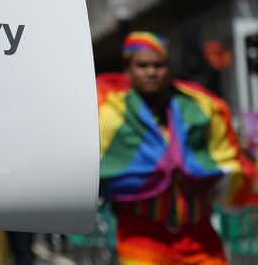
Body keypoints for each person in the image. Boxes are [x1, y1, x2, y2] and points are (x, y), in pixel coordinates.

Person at [97, 31, 258, 265]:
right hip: (141, 238)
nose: (151, 72)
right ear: (128, 69)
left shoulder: (199, 108)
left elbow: (225, 158)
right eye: (142, 66)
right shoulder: (110, 114)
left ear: (168, 68)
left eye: (158, 65)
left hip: (200, 237)